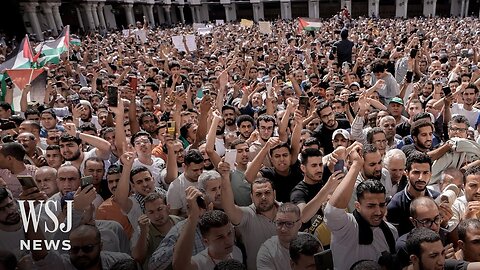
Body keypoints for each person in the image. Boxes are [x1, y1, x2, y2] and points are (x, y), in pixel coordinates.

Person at [325, 144, 398, 270]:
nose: (378, 211)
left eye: (381, 205)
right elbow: (332, 211)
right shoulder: (346, 227)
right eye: (371, 206)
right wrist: (356, 165)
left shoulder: (391, 232)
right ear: (357, 206)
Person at [219, 159, 277, 270]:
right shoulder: (247, 215)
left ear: (274, 194)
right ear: (251, 197)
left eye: (267, 193)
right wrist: (225, 177)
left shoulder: (286, 211)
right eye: (258, 194)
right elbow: (229, 207)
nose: (263, 197)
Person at [28, 224, 132, 269]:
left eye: (88, 248)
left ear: (100, 246)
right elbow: (42, 256)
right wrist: (28, 214)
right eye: (75, 249)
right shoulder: (64, 265)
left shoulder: (118, 262)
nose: (80, 254)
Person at [387, 152, 440, 236]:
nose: (421, 178)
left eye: (425, 173)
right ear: (407, 173)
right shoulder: (396, 204)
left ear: (431, 174)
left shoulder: (437, 199)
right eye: (416, 173)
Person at [132, 192, 183, 269]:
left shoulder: (180, 222)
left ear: (168, 208)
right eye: (151, 212)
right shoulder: (143, 229)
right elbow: (138, 258)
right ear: (145, 214)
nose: (157, 215)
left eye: (159, 209)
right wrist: (144, 232)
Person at [256, 203, 303, 270]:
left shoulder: (312, 243)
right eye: (279, 223)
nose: (283, 229)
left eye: (289, 224)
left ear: (299, 224)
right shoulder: (267, 252)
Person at [166, 149, 204, 217]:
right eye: (195, 170)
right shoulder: (175, 187)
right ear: (184, 167)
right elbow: (173, 216)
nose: (199, 173)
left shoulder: (206, 178)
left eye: (201, 169)